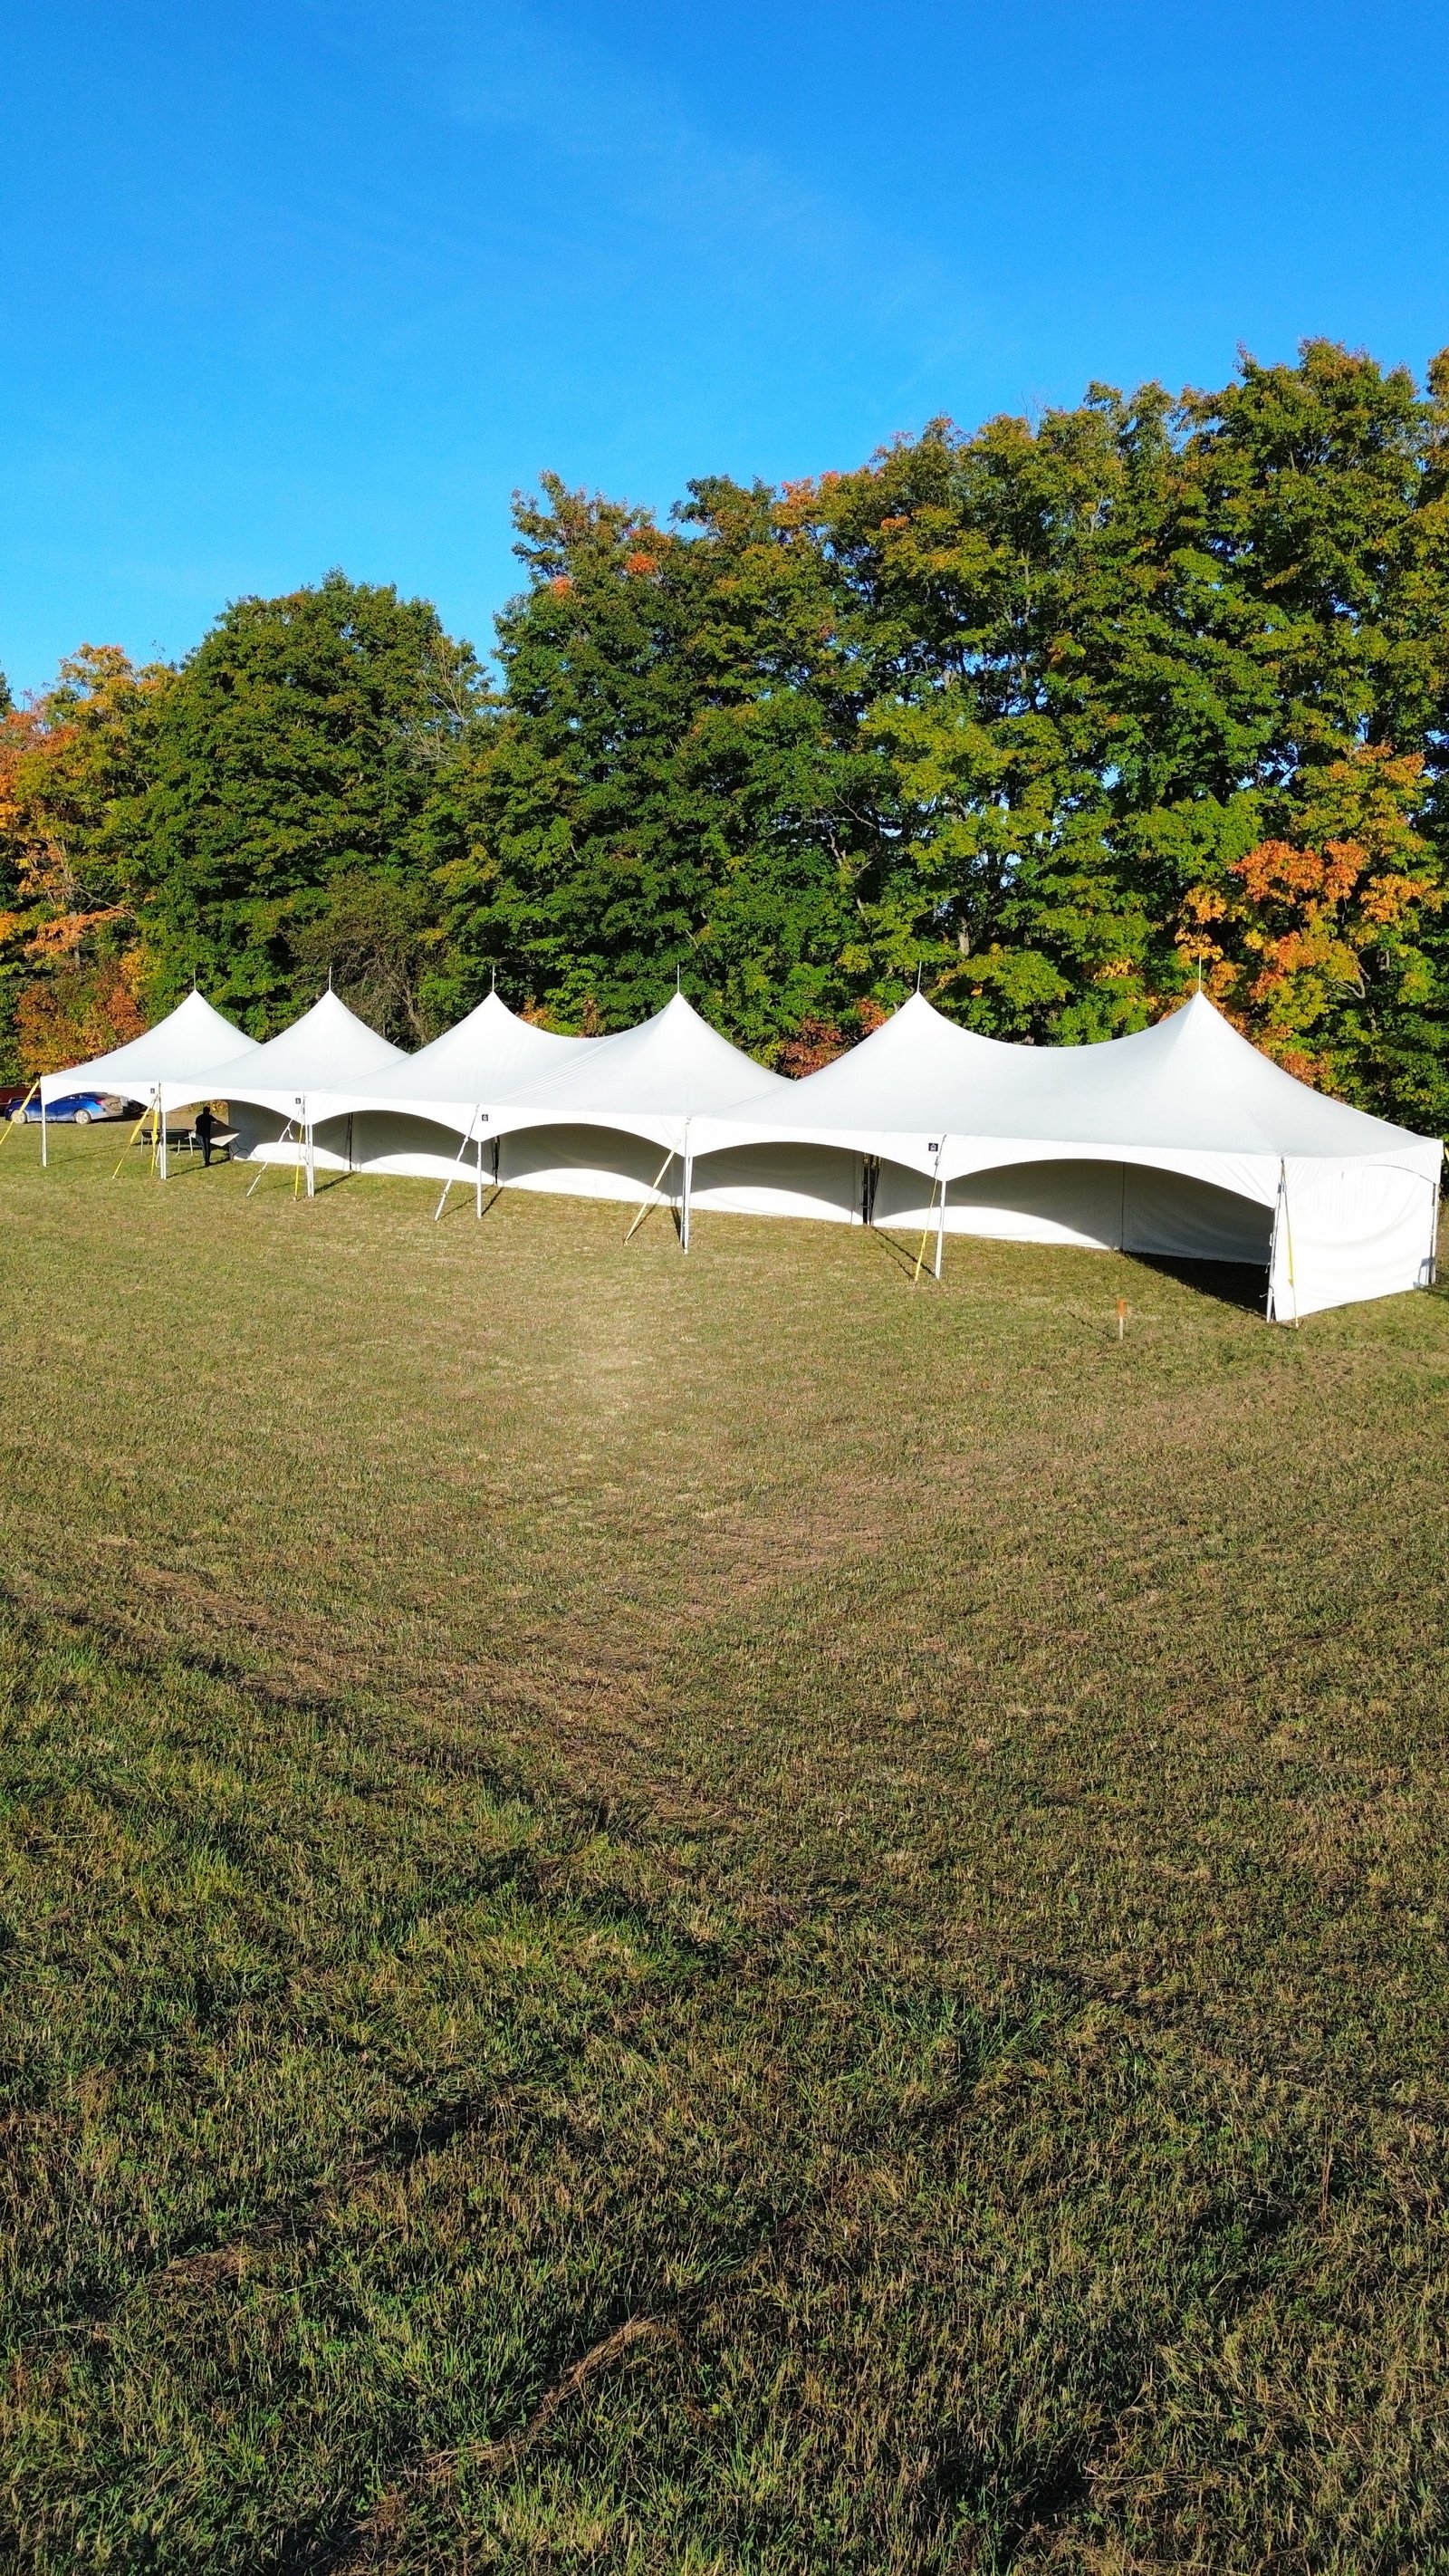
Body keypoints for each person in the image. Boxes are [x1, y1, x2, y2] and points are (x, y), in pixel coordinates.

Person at [195, 1102, 217, 1168]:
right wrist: (225, 1126)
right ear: (208, 1111)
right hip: (204, 1135)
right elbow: (216, 1121)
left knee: (205, 1148)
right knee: (207, 1148)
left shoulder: (199, 1117)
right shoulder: (209, 1117)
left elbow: (196, 1124)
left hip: (199, 1134)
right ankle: (207, 1162)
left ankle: (207, 1162)